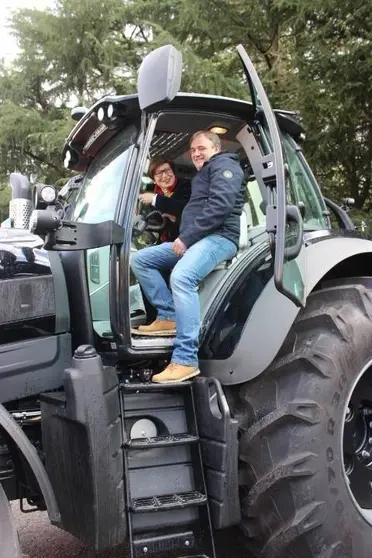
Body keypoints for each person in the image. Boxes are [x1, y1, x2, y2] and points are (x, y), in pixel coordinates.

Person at [131, 130, 244, 383]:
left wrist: (186, 237)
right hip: (197, 240)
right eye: (193, 150)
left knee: (181, 277)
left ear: (216, 148)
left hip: (219, 238)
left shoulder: (225, 166)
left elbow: (221, 207)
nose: (196, 154)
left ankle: (185, 359)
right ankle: (168, 315)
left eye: (201, 148)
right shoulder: (204, 173)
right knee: (140, 260)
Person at [139, 159, 191, 242]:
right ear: (153, 179)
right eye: (159, 173)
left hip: (184, 239)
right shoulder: (151, 194)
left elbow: (185, 208)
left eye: (167, 170)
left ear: (173, 171)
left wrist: (155, 199)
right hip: (163, 241)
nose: (165, 176)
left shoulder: (186, 186)